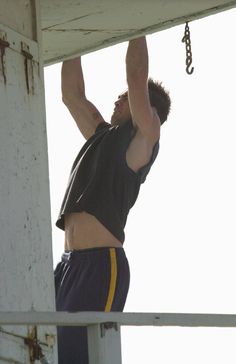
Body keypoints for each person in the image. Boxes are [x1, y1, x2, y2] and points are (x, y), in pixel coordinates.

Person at [54, 36, 171, 364]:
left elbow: (136, 77)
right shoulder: (101, 135)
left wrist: (137, 25)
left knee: (81, 357)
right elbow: (71, 95)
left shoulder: (144, 138)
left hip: (101, 266)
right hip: (67, 267)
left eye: (125, 99)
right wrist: (70, 30)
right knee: (43, 350)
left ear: (147, 110)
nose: (118, 101)